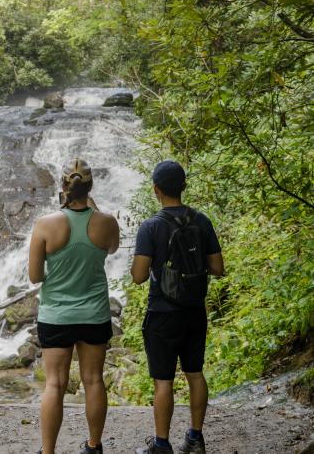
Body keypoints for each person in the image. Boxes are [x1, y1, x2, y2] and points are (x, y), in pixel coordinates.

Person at [131, 161, 224, 454]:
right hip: (194, 311)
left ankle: (162, 444)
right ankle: (195, 439)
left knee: (164, 381)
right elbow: (218, 268)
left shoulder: (151, 226)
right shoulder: (203, 221)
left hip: (162, 313)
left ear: (156, 190)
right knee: (195, 374)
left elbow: (138, 276)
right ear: (183, 187)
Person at [29, 158, 120, 454]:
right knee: (93, 380)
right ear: (90, 187)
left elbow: (34, 276)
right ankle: (93, 446)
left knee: (54, 384)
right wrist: (93, 208)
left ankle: (48, 452)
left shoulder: (45, 224)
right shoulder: (107, 222)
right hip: (94, 314)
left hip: (56, 314)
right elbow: (112, 248)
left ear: (64, 186)